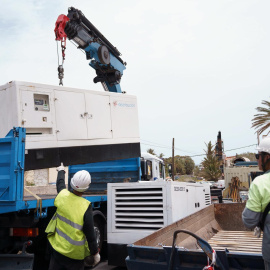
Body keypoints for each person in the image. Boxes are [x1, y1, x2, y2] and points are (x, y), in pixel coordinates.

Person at [45, 164, 100, 270]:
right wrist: (95, 253)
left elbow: (60, 184)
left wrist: (61, 171)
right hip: (75, 256)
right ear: (87, 187)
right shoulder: (85, 206)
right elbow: (90, 234)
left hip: (57, 249)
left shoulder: (62, 196)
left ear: (72, 182)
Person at [242, 137, 270, 269]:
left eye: (258, 155)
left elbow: (249, 220)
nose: (257, 159)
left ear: (267, 157)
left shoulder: (260, 183)